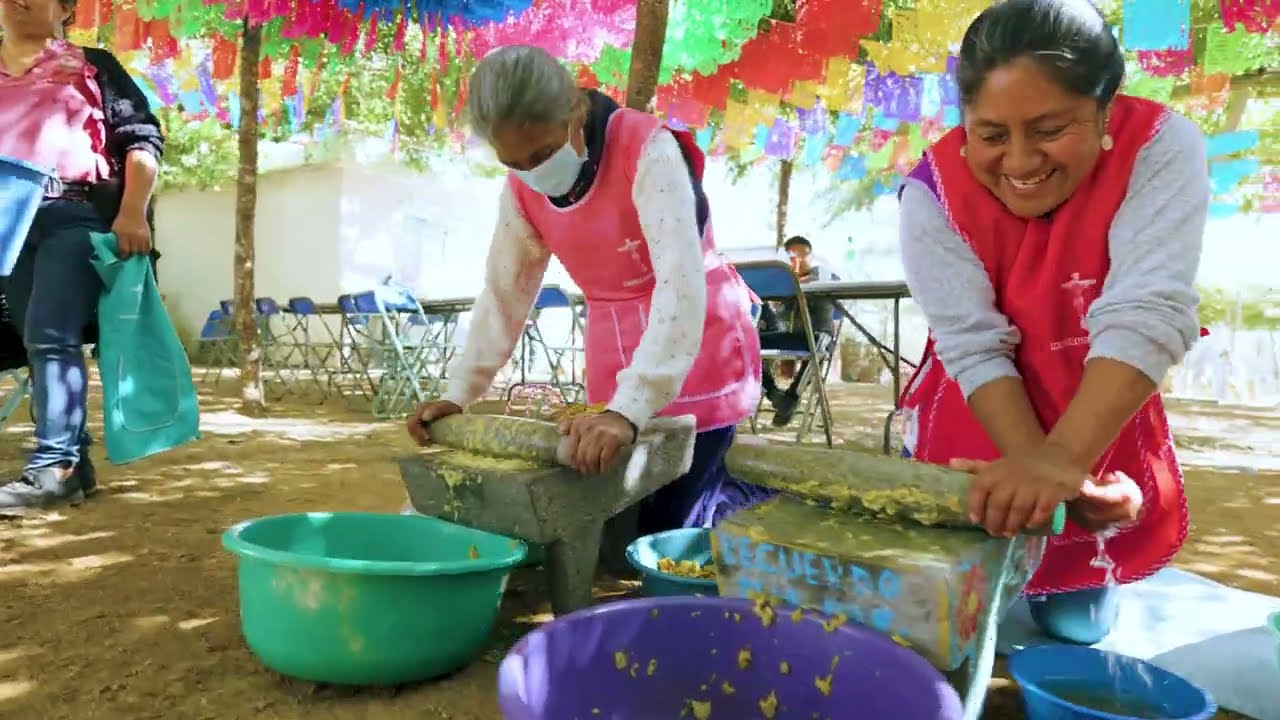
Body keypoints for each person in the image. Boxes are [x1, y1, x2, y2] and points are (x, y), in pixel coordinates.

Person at [897, 0, 1206, 645]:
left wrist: (1066, 466)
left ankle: (1075, 577)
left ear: (1105, 109)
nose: (1019, 163)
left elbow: (1146, 311)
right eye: (990, 135)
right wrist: (1042, 476)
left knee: (1075, 627)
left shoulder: (1160, 147)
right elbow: (972, 344)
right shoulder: (931, 193)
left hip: (1097, 419)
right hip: (979, 416)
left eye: (1049, 129)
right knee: (948, 624)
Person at [408, 46, 772, 534]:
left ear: (576, 112)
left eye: (542, 154)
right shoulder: (522, 190)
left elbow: (679, 281)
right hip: (615, 357)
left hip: (695, 343)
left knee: (675, 526)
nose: (533, 172)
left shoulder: (647, 148)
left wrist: (630, 408)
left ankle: (769, 505)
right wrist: (460, 393)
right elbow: (504, 293)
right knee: (615, 521)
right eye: (513, 162)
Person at [0, 0, 163, 513]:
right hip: (6, 225)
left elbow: (142, 138)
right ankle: (77, 464)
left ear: (66, 8)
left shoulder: (93, 66)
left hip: (72, 214)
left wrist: (133, 212)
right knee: (35, 341)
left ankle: (55, 468)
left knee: (50, 333)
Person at [759, 235, 838, 426]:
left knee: (817, 345)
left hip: (819, 335)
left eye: (803, 256)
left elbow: (830, 279)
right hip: (793, 337)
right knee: (747, 343)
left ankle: (792, 396)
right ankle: (774, 394)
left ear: (811, 257)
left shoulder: (822, 274)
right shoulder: (782, 280)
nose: (799, 261)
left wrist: (795, 282)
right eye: (793, 257)